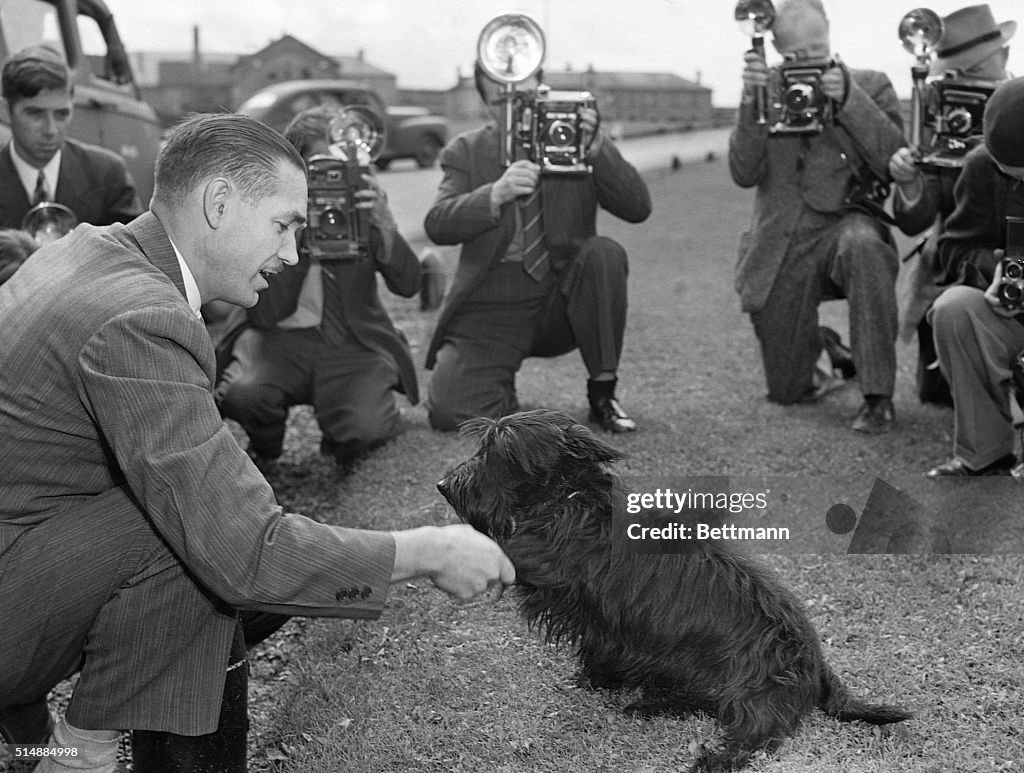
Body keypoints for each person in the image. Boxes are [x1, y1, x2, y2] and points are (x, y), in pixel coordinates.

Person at [0, 113, 514, 773]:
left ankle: (66, 746)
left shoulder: (91, 248)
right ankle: (82, 756)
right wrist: (426, 551)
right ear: (218, 203)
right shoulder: (142, 317)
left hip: (26, 552)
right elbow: (242, 548)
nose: (294, 253)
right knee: (197, 529)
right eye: (283, 225)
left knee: (200, 515)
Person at [422, 62, 652, 434]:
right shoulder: (466, 150)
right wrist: (494, 195)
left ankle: (603, 393)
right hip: (490, 307)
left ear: (542, 89)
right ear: (485, 105)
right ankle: (497, 389)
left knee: (604, 253)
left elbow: (638, 208)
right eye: (501, 100)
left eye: (523, 96)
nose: (514, 107)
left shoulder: (575, 139)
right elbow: (437, 223)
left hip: (560, 300)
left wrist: (598, 148)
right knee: (450, 412)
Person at [729, 0, 905, 432]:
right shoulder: (765, 88)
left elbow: (892, 160)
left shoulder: (869, 85)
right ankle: (826, 349)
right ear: (774, 46)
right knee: (787, 392)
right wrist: (752, 100)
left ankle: (877, 395)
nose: (805, 66)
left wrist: (847, 99)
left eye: (815, 52)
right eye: (794, 57)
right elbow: (743, 172)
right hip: (782, 239)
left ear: (829, 32)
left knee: (865, 246)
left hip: (847, 223)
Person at [215, 105, 421, 471]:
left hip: (352, 344)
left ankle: (343, 431)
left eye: (340, 167)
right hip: (280, 339)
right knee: (245, 394)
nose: (331, 179)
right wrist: (297, 229)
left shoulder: (363, 209)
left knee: (364, 429)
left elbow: (408, 285)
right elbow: (264, 314)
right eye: (320, 169)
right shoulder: (268, 217)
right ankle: (266, 443)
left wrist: (384, 225)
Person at [889, 4, 1015, 408]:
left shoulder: (1019, 107)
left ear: (1006, 57)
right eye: (960, 73)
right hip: (954, 269)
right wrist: (911, 178)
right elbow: (915, 221)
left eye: (978, 70)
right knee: (941, 393)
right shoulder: (939, 117)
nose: (969, 84)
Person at [925, 76, 1024, 477]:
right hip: (1013, 314)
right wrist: (994, 270)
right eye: (1011, 174)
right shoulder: (983, 164)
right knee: (953, 309)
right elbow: (952, 249)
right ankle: (985, 451)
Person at [0, 45, 141, 231]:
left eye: (61, 114)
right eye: (35, 114)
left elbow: (135, 254)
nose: (50, 129)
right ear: (5, 111)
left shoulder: (108, 176)